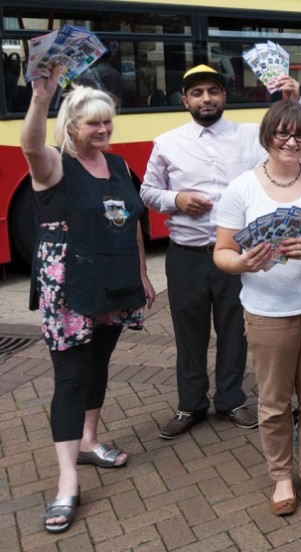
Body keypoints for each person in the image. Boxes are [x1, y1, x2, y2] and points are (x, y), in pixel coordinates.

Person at [22, 75, 155, 534]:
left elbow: (135, 221)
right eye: (92, 123)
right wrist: (41, 97)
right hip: (72, 285)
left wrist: (142, 272)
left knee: (99, 364)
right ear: (72, 126)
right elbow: (29, 145)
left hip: (115, 280)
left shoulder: (117, 165)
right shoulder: (55, 165)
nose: (102, 130)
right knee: (72, 377)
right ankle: (67, 482)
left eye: (107, 122)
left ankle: (89, 441)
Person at [141, 65, 299, 440]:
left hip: (237, 253)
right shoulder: (166, 142)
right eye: (197, 93)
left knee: (234, 330)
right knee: (188, 332)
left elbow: (292, 141)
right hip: (187, 255)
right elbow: (147, 191)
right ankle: (190, 404)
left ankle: (230, 399)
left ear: (224, 96)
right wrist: (175, 198)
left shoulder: (251, 136)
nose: (206, 99)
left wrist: (295, 100)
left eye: (213, 91)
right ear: (185, 100)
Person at [214, 100, 301, 517]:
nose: (292, 141)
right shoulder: (242, 188)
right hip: (268, 309)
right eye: (283, 133)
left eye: (300, 134)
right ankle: (280, 477)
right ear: (268, 136)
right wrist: (241, 262)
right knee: (273, 401)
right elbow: (221, 251)